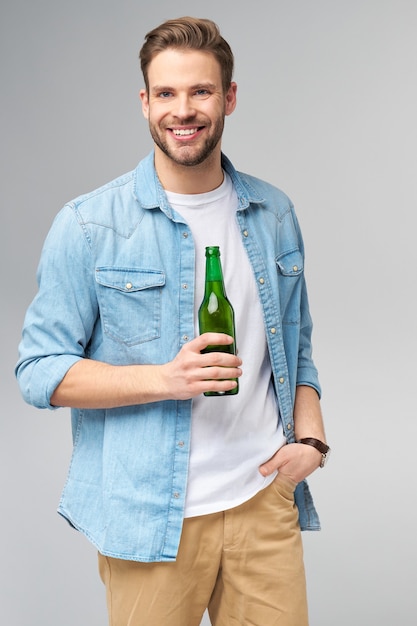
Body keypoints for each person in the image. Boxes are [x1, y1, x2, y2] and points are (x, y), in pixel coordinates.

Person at [15, 16, 329, 626]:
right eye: (166, 93)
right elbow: (37, 372)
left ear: (229, 97)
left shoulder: (273, 215)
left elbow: (299, 349)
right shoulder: (89, 225)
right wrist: (166, 379)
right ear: (145, 102)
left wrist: (312, 443)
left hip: (262, 503)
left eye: (201, 91)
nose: (182, 110)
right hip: (148, 518)